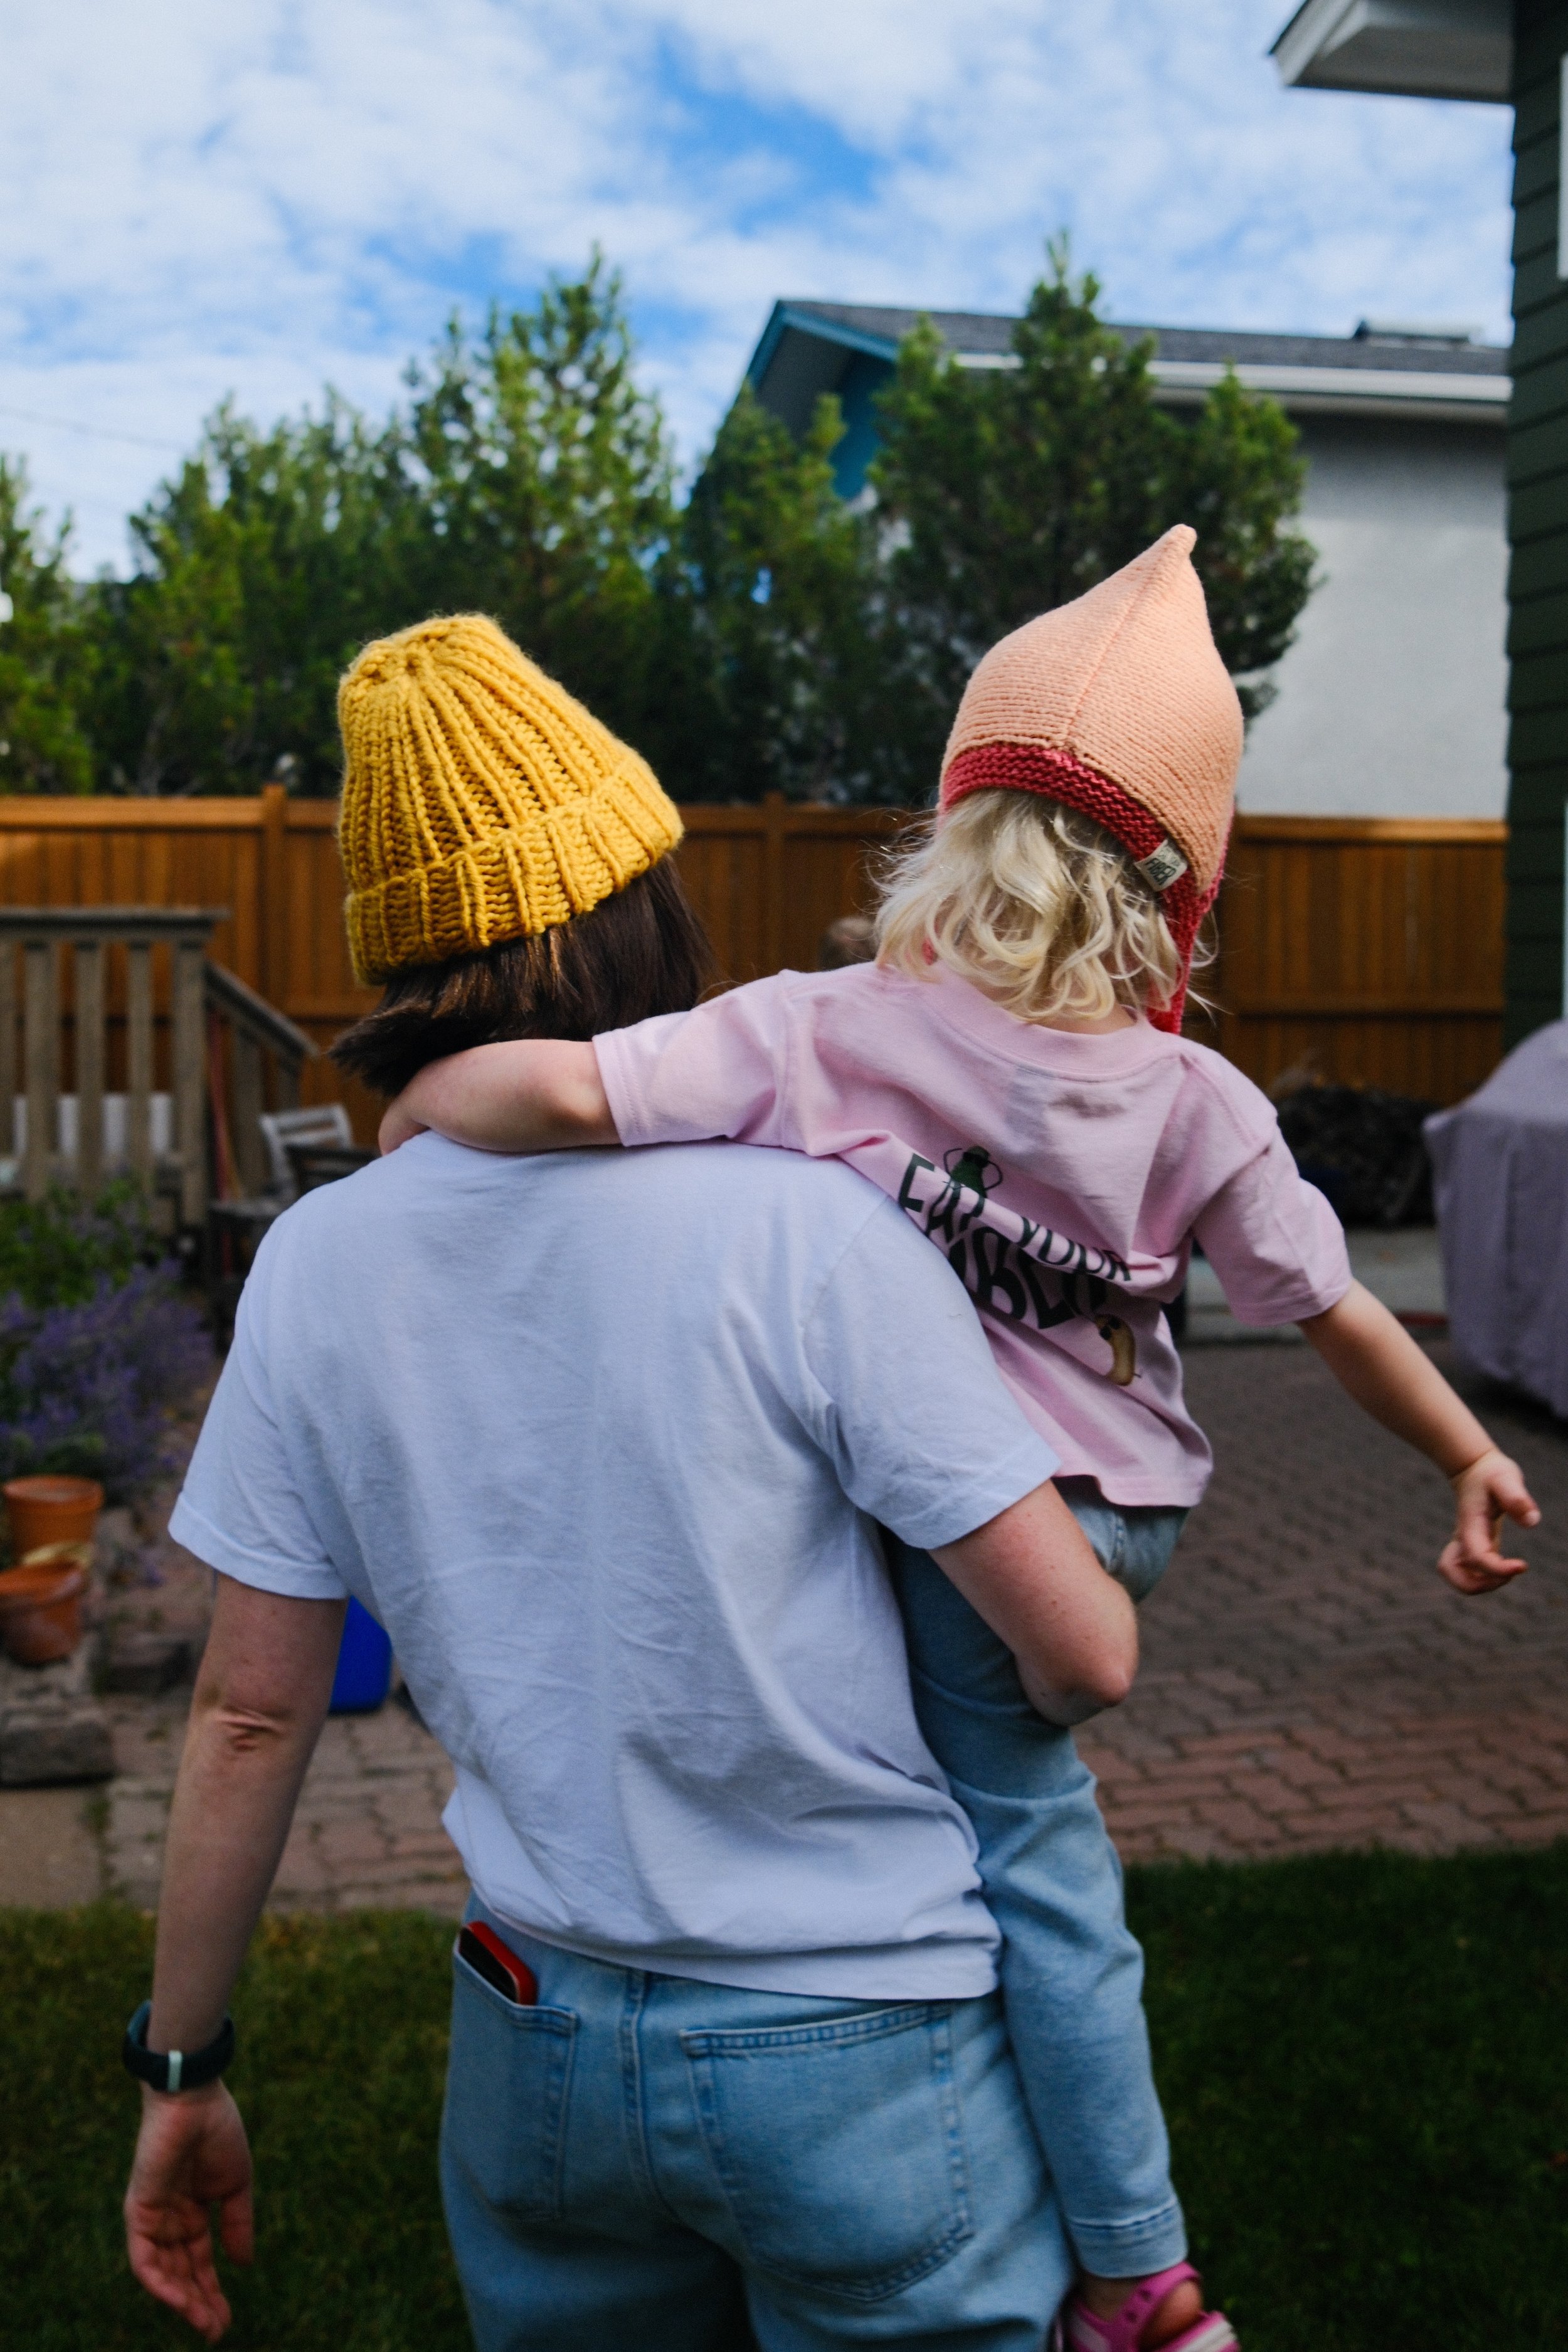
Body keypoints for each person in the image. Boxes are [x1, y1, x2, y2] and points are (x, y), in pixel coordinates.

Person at [384, 527, 1542, 2352]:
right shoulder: (1195, 1098)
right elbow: (1332, 1309)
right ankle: (1094, 2239)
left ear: (950, 829)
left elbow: (567, 1088)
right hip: (1116, 1517)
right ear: (1176, 903)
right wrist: (1461, 1456)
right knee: (1025, 1837)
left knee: (1016, 1855)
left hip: (981, 1537)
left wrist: (417, 1114)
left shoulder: (822, 1031)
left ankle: (1132, 2275)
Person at [122, 615, 1141, 2352]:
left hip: (538, 2045)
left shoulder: (316, 1263)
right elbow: (1080, 1660)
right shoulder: (815, 1228)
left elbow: (241, 1717)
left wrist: (182, 2069)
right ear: (641, 902)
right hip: (865, 2043)